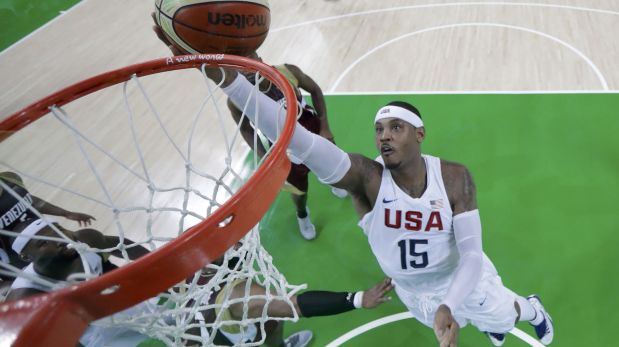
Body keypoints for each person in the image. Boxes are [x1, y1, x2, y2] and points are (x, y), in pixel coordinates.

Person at [194, 67, 555, 346]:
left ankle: (530, 308)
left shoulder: (454, 177)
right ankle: (489, 322)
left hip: (463, 281)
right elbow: (300, 142)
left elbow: (473, 255)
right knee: (474, 321)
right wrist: (229, 82)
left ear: (419, 133)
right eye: (379, 129)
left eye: (396, 127)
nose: (384, 135)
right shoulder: (367, 179)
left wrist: (448, 304)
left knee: (504, 316)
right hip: (412, 292)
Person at [6, 220, 394, 347]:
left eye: (53, 231)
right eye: (42, 241)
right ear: (29, 255)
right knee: (252, 318)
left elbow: (123, 246)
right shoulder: (29, 295)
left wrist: (168, 274)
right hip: (104, 334)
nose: (54, 238)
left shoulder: (81, 241)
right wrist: (359, 298)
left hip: (150, 312)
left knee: (255, 321)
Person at [226, 53, 347, 240]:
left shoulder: (286, 71)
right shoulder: (237, 100)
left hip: (313, 131)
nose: (246, 68)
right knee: (299, 191)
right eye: (240, 67)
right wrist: (265, 157)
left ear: (259, 58)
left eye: (249, 60)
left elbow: (315, 90)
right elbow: (246, 130)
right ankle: (302, 214)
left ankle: (333, 183)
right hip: (284, 148)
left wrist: (325, 127)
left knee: (331, 167)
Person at [0, 171, 97, 271]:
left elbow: (30, 200)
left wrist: (66, 213)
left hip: (54, 243)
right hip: (22, 264)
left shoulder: (9, 178)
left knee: (94, 251)